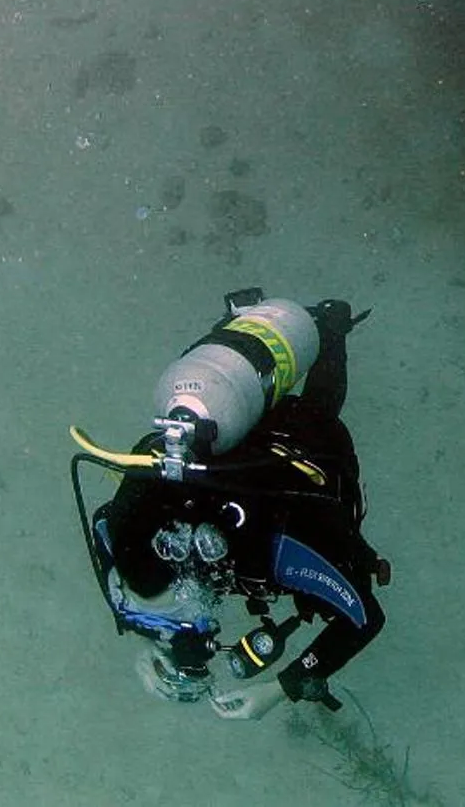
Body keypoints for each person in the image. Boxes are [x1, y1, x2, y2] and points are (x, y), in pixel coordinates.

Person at [87, 296, 385, 719]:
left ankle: (328, 328)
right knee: (219, 401)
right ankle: (240, 333)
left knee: (319, 411)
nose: (174, 628)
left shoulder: (275, 548)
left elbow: (363, 617)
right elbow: (110, 528)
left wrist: (282, 687)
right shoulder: (126, 532)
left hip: (303, 448)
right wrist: (149, 644)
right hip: (223, 426)